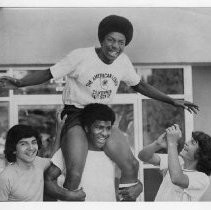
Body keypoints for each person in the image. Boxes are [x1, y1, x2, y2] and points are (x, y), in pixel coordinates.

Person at [0, 15, 199, 193]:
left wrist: (173, 101)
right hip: (77, 114)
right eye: (111, 40)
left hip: (102, 116)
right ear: (102, 40)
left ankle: (124, 201)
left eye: (121, 42)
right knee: (75, 173)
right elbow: (48, 73)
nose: (115, 46)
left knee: (131, 165)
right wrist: (20, 83)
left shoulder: (123, 62)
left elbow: (140, 86)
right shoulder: (80, 56)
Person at [44, 103, 142, 201]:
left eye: (108, 128)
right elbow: (47, 181)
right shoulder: (71, 150)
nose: (105, 133)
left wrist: (139, 186)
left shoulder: (111, 153)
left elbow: (125, 180)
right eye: (99, 127)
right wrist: (67, 195)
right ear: (87, 128)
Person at [0, 112, 85, 201]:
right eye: (23, 144)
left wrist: (59, 129)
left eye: (33, 142)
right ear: (13, 149)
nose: (31, 148)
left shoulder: (38, 163)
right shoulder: (6, 177)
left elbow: (54, 157)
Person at [138, 124, 211, 201]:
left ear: (202, 154)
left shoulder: (202, 178)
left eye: (192, 143)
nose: (186, 143)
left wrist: (172, 142)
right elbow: (143, 157)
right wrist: (157, 144)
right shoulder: (178, 161)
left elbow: (176, 178)